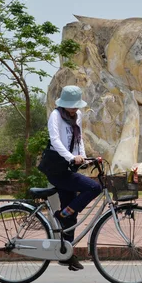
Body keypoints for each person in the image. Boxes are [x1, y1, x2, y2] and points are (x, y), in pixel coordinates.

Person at [45, 85, 101, 271]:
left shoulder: (77, 116)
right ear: (63, 103)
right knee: (94, 188)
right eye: (71, 105)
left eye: (76, 105)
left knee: (71, 214)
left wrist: (83, 158)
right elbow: (55, 140)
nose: (74, 109)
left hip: (69, 167)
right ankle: (61, 215)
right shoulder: (56, 116)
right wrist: (71, 157)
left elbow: (79, 139)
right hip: (57, 168)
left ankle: (66, 254)